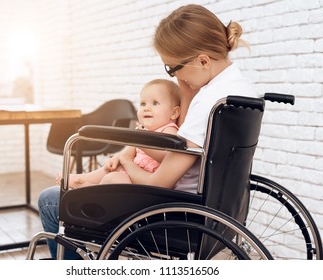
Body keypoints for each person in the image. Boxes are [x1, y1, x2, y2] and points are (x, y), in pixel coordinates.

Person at [38, 4, 257, 259]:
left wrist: (127, 159)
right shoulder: (238, 89)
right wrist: (185, 86)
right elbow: (183, 145)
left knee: (51, 200)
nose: (174, 76)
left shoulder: (207, 102)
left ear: (203, 61)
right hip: (214, 211)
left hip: (170, 211)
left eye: (173, 68)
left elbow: (159, 181)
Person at [60, 78, 181, 188]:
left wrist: (141, 143)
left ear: (174, 113)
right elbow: (128, 152)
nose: (146, 108)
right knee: (110, 169)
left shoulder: (169, 129)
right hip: (131, 172)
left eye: (155, 103)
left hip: (144, 179)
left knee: (114, 178)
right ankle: (84, 179)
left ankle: (90, 190)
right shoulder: (144, 131)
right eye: (143, 103)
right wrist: (117, 157)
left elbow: (168, 156)